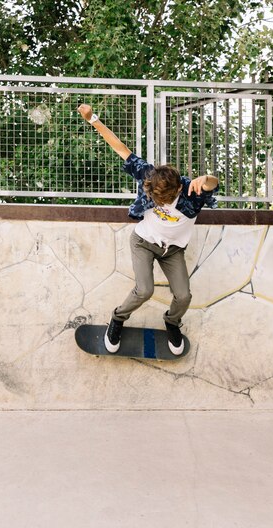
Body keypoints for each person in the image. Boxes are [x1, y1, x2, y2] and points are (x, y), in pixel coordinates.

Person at [77, 103, 218, 355]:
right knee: (145, 290)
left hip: (173, 250)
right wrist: (92, 119)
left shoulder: (192, 194)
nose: (156, 202)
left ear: (176, 191)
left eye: (161, 200)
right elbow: (121, 149)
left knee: (184, 297)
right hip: (143, 242)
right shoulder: (151, 175)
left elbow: (213, 184)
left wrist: (205, 178)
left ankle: (172, 322)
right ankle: (118, 319)